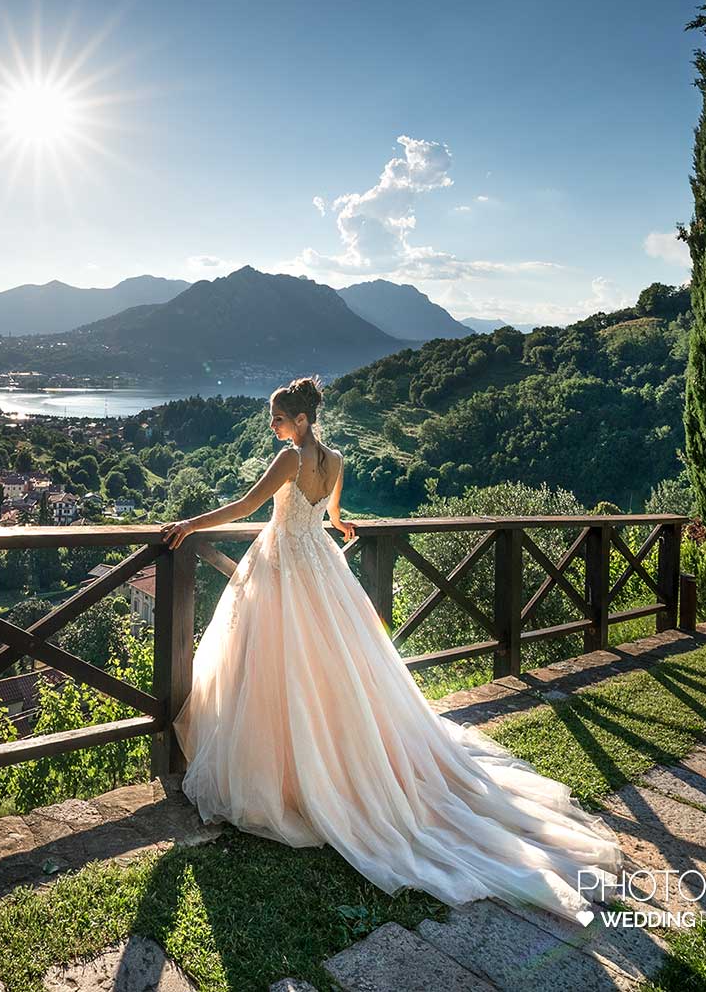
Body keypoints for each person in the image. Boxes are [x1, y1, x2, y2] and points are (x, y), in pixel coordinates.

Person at [160, 375, 623, 926]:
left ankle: (292, 777)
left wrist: (188, 525)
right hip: (321, 571)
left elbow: (244, 507)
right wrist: (341, 525)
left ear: (300, 421)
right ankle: (324, 763)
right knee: (330, 675)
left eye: (279, 419)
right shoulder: (334, 460)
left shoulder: (289, 460)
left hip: (284, 571)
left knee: (276, 672)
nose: (274, 427)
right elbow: (331, 517)